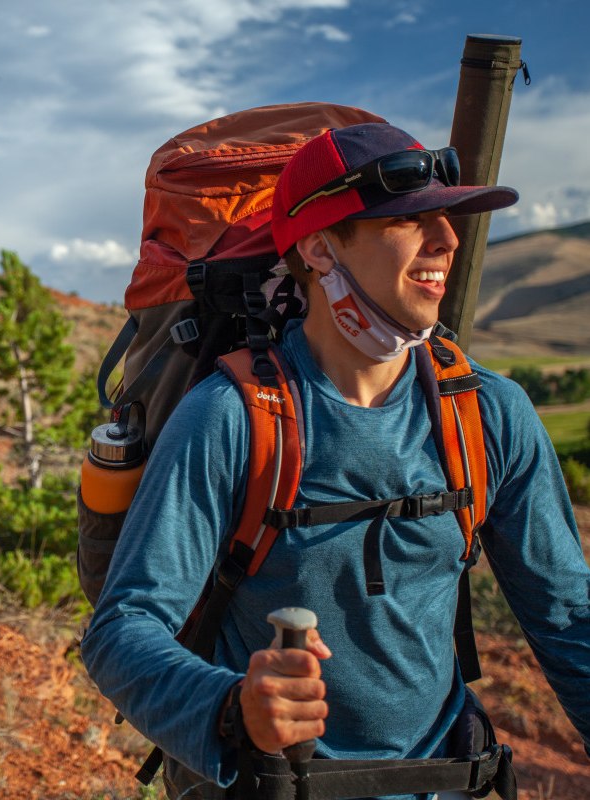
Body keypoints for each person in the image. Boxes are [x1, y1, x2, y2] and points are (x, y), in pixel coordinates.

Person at [80, 122, 590, 799]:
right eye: (407, 219)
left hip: (446, 781)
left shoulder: (487, 413)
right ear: (319, 248)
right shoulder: (232, 417)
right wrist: (231, 710)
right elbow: (121, 627)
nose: (446, 239)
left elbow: (564, 614)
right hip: (274, 786)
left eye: (446, 218)